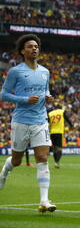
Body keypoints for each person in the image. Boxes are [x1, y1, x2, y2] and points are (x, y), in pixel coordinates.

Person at [0, 34, 56, 212]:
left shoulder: (45, 71)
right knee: (16, 160)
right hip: (21, 121)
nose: (34, 49)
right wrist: (24, 99)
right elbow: (4, 94)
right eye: (30, 46)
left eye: (36, 46)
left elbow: (45, 89)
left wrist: (47, 95)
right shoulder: (16, 71)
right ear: (22, 51)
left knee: (43, 158)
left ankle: (44, 201)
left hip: (40, 121)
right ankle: (4, 173)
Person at [48, 103, 73, 168]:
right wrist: (71, 125)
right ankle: (57, 162)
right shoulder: (61, 112)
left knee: (54, 148)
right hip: (59, 132)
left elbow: (47, 123)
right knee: (59, 149)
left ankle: (56, 162)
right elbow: (67, 119)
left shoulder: (50, 113)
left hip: (52, 132)